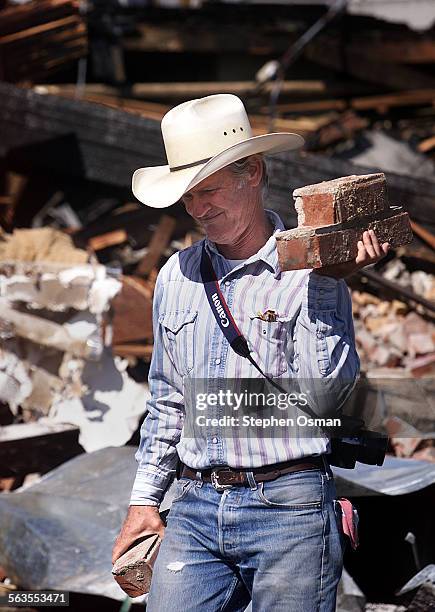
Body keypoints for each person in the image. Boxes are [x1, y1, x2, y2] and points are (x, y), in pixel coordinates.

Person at [112, 94, 389, 611]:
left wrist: (327, 286)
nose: (198, 209)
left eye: (210, 190)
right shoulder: (176, 275)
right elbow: (168, 399)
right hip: (194, 506)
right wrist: (144, 500)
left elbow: (331, 399)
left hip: (290, 508)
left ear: (253, 173)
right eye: (188, 196)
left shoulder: (313, 273)